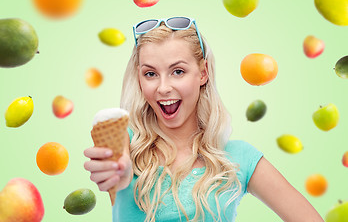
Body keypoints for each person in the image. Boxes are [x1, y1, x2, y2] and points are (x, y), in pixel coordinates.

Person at [84, 17, 324, 222]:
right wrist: (120, 171)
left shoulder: (239, 158)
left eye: (178, 71)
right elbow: (120, 169)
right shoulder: (126, 141)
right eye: (150, 74)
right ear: (139, 78)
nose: (163, 87)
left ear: (203, 73)